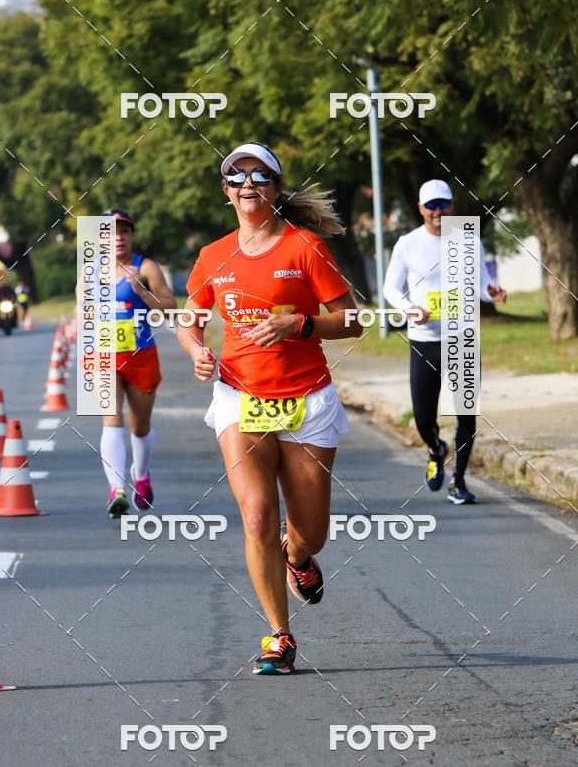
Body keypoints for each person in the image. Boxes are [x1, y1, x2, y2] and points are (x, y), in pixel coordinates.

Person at [178, 142, 362, 674]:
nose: (247, 185)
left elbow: (353, 321)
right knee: (257, 514)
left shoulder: (305, 248)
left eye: (259, 176)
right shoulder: (214, 256)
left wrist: (299, 324)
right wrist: (197, 352)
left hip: (307, 400)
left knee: (310, 532)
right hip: (239, 397)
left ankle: (297, 556)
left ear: (276, 189)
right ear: (226, 192)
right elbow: (189, 321)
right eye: (237, 177)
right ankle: (279, 636)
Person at [383, 179, 507, 504]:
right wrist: (409, 309)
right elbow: (390, 288)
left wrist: (492, 292)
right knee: (423, 419)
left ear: (452, 206)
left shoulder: (469, 240)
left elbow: (483, 284)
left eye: (444, 204)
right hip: (424, 341)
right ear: (421, 208)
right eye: (431, 205)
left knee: (466, 414)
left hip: (462, 339)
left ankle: (458, 481)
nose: (438, 211)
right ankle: (437, 448)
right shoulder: (407, 244)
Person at [99, 209, 176, 518]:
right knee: (111, 419)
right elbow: (82, 310)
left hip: (141, 354)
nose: (118, 237)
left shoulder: (145, 267)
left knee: (139, 426)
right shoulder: (91, 272)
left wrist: (142, 291)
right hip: (105, 356)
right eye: (111, 232)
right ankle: (117, 490)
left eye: (124, 231)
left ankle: (140, 475)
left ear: (131, 235)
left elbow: (170, 308)